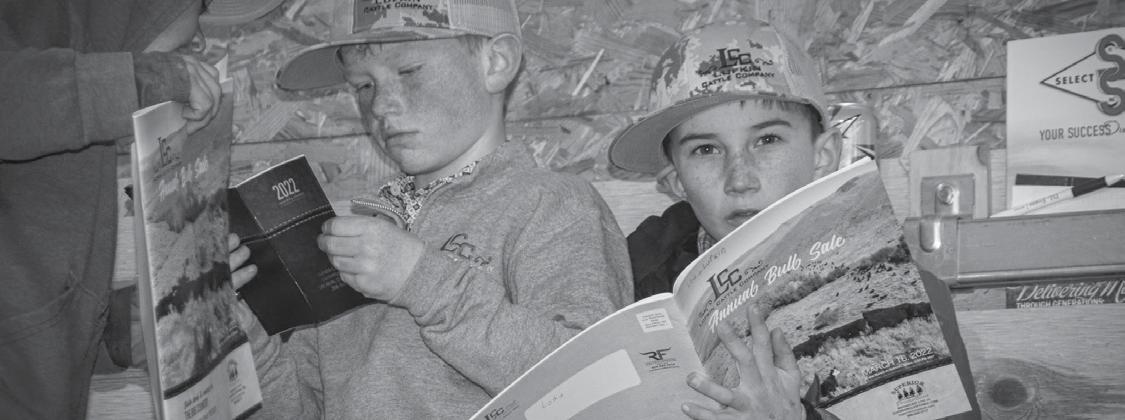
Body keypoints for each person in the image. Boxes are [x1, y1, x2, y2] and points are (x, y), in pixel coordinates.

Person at [228, 0, 632, 418]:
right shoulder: (355, 238)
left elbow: (598, 387)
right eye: (363, 86)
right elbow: (301, 409)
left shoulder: (554, 204)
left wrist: (419, 279)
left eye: (408, 71)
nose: (380, 106)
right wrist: (248, 340)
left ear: (496, 62)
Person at [609, 20, 979, 419]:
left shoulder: (917, 292)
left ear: (823, 156)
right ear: (676, 182)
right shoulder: (629, 299)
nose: (740, 179)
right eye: (705, 150)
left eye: (767, 140)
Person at [0, 0, 222, 418]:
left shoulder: (73, 129)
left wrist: (120, 329)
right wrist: (145, 80)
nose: (200, 45)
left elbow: (30, 279)